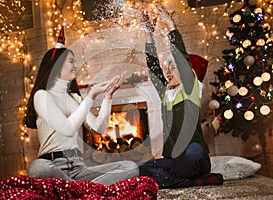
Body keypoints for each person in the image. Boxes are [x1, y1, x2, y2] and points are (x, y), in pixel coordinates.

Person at [23, 25, 139, 185]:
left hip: (79, 167)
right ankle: (81, 189)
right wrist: (90, 95)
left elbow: (98, 128)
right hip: (53, 166)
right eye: (71, 61)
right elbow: (66, 128)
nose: (75, 66)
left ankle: (76, 189)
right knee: (38, 168)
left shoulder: (75, 98)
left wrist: (108, 97)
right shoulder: (42, 96)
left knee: (130, 167)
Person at [139, 4, 223, 188]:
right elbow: (154, 68)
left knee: (192, 152)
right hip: (174, 160)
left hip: (195, 157)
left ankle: (172, 179)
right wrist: (148, 35)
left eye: (173, 67)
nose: (168, 72)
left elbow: (182, 59)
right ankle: (190, 181)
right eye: (167, 67)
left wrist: (171, 27)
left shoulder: (191, 89)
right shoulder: (166, 93)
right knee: (142, 169)